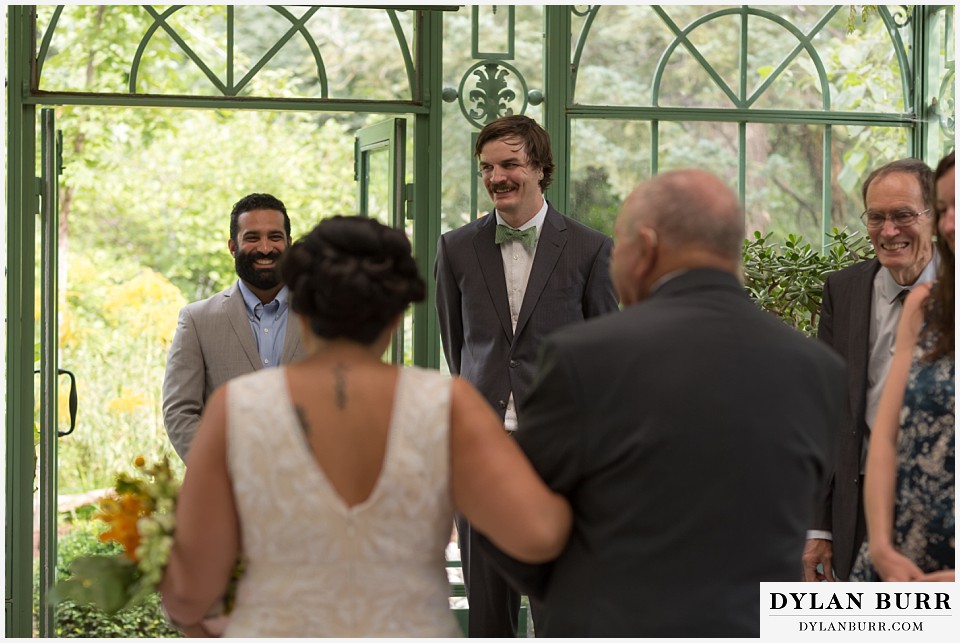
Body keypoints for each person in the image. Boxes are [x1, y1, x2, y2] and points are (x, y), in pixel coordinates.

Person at [159, 216, 572, 637]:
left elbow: (187, 595)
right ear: (395, 316)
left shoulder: (239, 407)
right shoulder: (447, 406)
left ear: (300, 306)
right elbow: (537, 536)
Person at [477, 169, 845, 637]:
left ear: (645, 247)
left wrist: (572, 594)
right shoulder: (819, 370)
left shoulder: (585, 357)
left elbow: (509, 513)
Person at [434, 114, 618, 637]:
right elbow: (459, 347)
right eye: (488, 167)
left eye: (510, 164)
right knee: (489, 618)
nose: (498, 177)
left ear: (540, 168)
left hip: (560, 457)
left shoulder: (590, 249)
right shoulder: (456, 249)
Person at [803, 159, 938, 582]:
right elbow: (823, 414)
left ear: (935, 217)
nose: (888, 230)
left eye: (903, 215)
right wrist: (819, 524)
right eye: (876, 217)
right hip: (858, 509)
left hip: (944, 507)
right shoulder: (842, 291)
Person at [850, 150, 955, 582]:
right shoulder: (925, 306)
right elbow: (885, 437)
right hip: (896, 556)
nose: (950, 223)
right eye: (948, 209)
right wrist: (881, 550)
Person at [161, 193, 307, 461]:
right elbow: (179, 411)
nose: (265, 248)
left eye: (275, 237)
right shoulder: (197, 320)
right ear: (233, 247)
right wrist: (219, 473)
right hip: (225, 491)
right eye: (252, 238)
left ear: (289, 244)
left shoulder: (323, 315)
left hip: (311, 492)